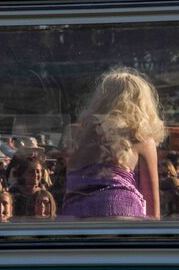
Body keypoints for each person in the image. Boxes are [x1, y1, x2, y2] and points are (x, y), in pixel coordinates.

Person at [62, 67, 165, 219]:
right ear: (143, 103)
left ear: (101, 99)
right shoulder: (140, 137)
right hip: (122, 215)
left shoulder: (76, 133)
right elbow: (152, 206)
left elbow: (70, 183)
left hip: (75, 215)